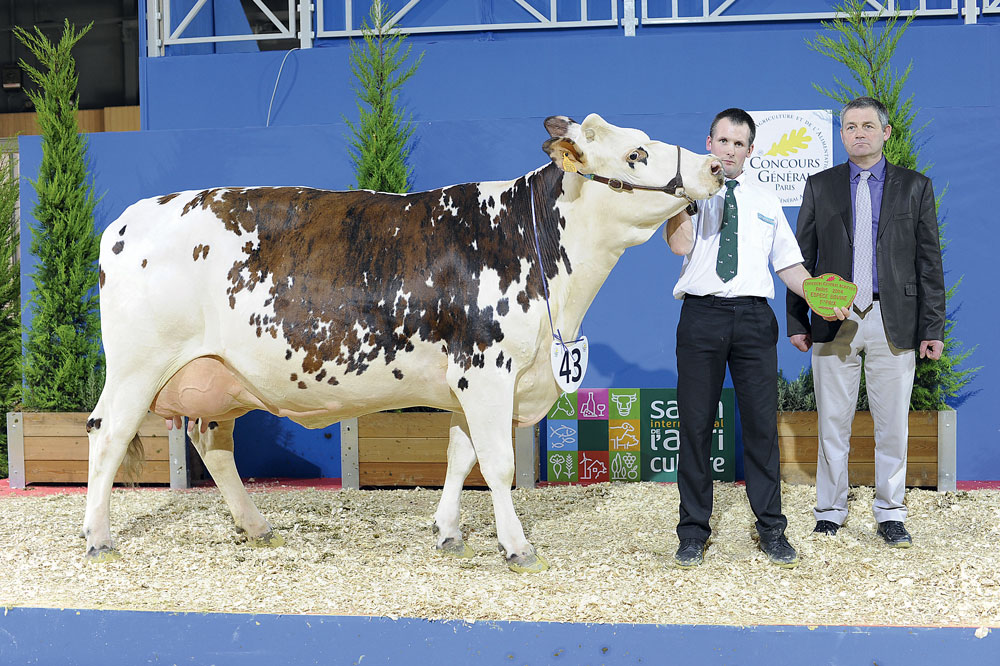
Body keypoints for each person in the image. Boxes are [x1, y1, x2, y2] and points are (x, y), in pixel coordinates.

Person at [663, 108, 842, 569]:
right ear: (709, 143)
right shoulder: (690, 195)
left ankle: (771, 530)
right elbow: (680, 246)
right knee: (695, 427)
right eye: (723, 141)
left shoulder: (765, 200)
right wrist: (685, 198)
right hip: (701, 317)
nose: (730, 150)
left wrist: (817, 293)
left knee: (762, 428)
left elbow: (788, 265)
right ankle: (692, 532)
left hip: (753, 319)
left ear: (751, 151)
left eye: (739, 144)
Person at [786, 96, 945, 548]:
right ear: (841, 135)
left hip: (892, 318)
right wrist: (798, 320)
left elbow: (929, 263)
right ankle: (830, 512)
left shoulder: (916, 187)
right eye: (851, 126)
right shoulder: (820, 185)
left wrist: (931, 329)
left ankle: (891, 513)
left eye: (868, 126)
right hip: (833, 318)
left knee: (892, 423)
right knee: (832, 421)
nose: (859, 132)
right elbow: (801, 257)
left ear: (886, 133)